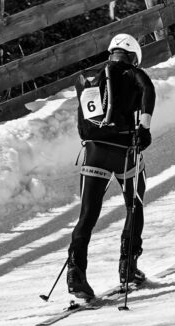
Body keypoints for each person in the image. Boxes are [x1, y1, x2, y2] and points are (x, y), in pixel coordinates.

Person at [66, 33, 156, 300]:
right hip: (124, 152)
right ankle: (128, 267)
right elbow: (148, 92)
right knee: (134, 204)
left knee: (87, 214)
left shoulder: (90, 78)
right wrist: (144, 128)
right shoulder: (133, 73)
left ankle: (76, 273)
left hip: (93, 152)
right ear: (133, 56)